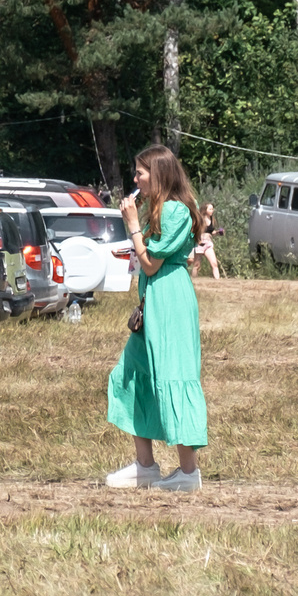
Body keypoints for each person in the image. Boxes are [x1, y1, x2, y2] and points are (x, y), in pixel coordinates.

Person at [104, 144, 211, 491]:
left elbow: (151, 262)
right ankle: (145, 466)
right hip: (153, 299)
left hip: (172, 299)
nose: (135, 179)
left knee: (173, 375)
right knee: (133, 374)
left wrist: (132, 225)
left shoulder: (179, 212)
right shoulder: (157, 210)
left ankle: (188, 472)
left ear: (159, 175)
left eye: (140, 173)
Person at [189, 198, 224, 280]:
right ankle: (194, 280)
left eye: (212, 209)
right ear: (205, 210)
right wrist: (198, 240)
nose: (212, 210)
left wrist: (218, 232)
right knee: (197, 265)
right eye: (210, 209)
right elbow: (195, 230)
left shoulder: (212, 220)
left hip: (208, 243)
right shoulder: (200, 220)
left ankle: (218, 281)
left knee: (214, 264)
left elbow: (211, 232)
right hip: (199, 243)